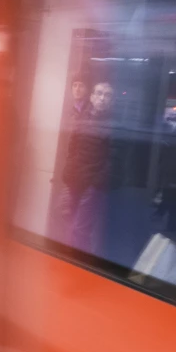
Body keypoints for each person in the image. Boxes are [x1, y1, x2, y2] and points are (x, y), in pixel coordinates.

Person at [53, 80, 115, 253]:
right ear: (93, 97)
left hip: (92, 185)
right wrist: (68, 171)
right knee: (66, 217)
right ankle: (71, 258)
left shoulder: (113, 124)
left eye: (107, 95)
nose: (103, 98)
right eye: (99, 94)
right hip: (75, 179)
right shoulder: (82, 118)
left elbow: (113, 158)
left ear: (112, 101)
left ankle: (78, 263)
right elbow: (73, 147)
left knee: (81, 229)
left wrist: (97, 182)